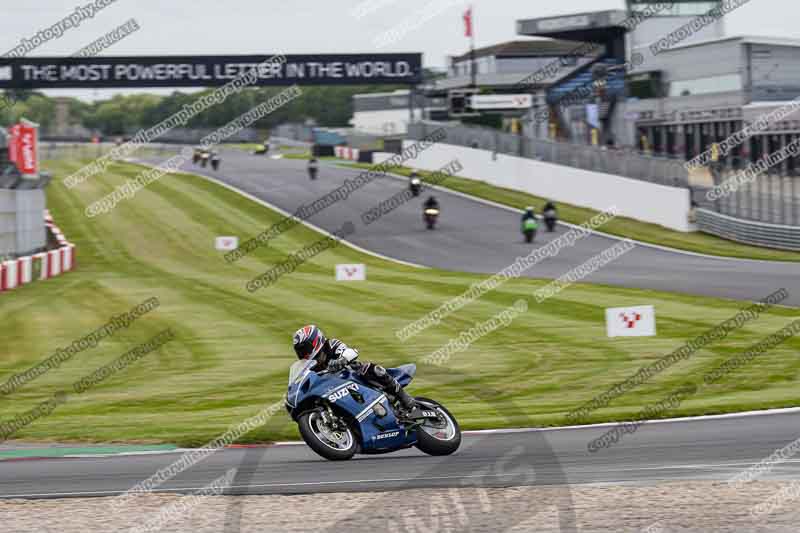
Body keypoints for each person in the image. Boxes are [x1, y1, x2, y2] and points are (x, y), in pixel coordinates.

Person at [292, 325, 416, 411]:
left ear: (315, 341)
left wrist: (342, 359)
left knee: (369, 368)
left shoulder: (331, 345)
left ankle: (404, 398)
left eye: (305, 349)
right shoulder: (311, 366)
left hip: (352, 377)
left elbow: (350, 351)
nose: (303, 354)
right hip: (334, 389)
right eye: (300, 351)